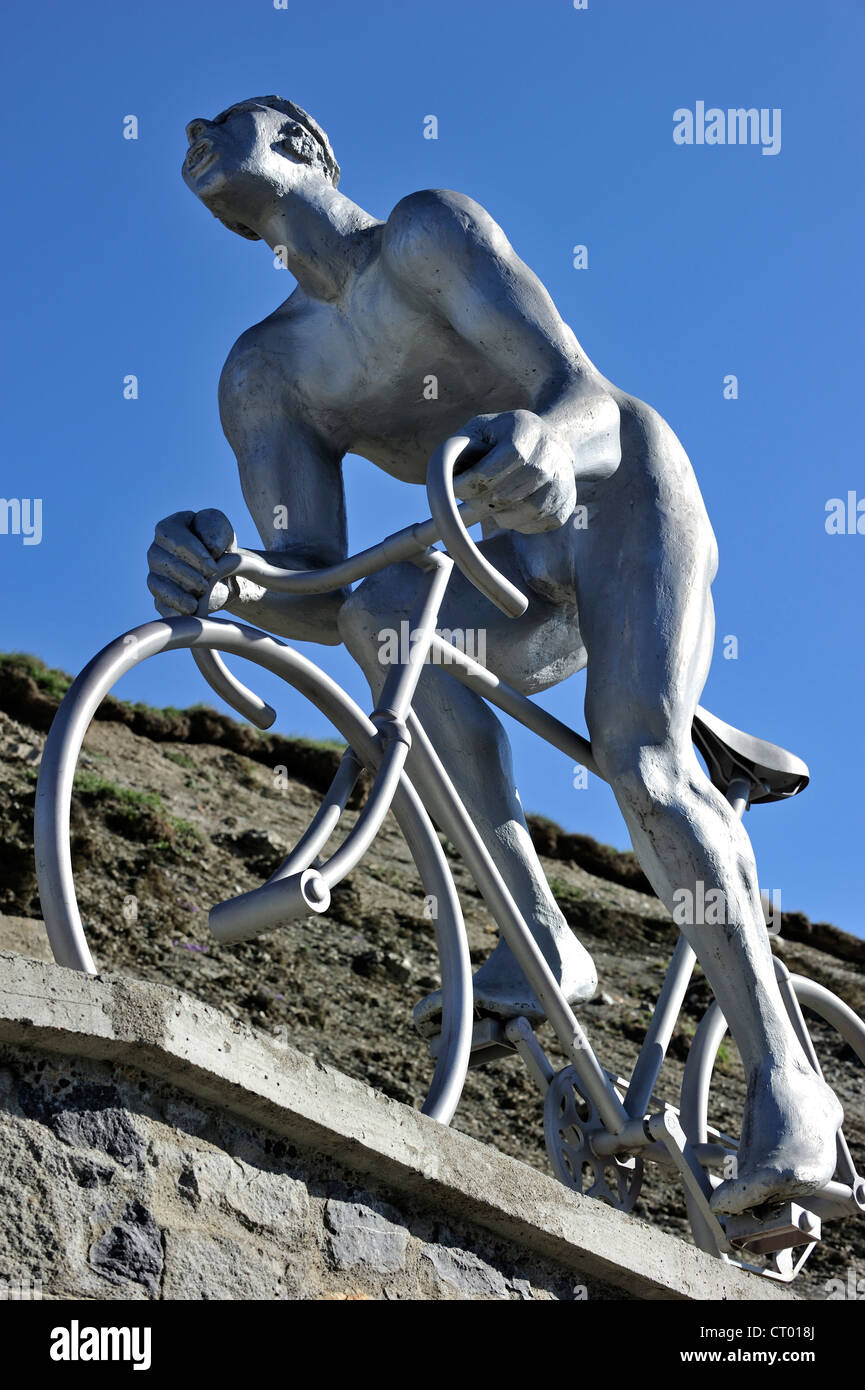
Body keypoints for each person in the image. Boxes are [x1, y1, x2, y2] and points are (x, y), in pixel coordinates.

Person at [147, 96, 842, 1216]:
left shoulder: (426, 236)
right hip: (491, 559)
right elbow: (315, 584)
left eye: (226, 117)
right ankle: (536, 931)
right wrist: (221, 578)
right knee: (384, 611)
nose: (191, 126)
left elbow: (580, 391)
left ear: (306, 148)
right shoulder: (264, 373)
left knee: (644, 765)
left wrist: (543, 440)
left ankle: (793, 1087)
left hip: (616, 493)